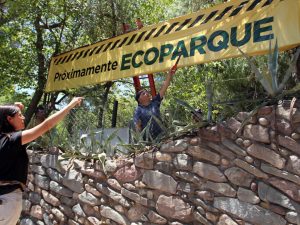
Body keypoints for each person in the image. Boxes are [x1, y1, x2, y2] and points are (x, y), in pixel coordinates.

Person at [0, 97, 83, 225]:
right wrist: (69, 106)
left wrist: (12, 107)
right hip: (7, 201)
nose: (23, 118)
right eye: (20, 115)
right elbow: (46, 125)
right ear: (9, 119)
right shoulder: (13, 139)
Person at [133, 65, 177, 141]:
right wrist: (141, 142)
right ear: (139, 100)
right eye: (143, 93)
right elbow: (138, 126)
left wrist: (170, 74)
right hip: (149, 141)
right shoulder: (138, 110)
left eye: (146, 92)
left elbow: (164, 87)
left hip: (162, 137)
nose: (146, 93)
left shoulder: (155, 102)